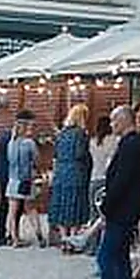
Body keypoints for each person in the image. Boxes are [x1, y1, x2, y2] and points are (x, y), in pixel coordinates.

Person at [86, 106, 140, 279]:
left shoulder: (131, 145)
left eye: (114, 121)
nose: (111, 126)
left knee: (107, 257)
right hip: (127, 208)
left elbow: (122, 180)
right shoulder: (133, 143)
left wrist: (107, 207)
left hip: (121, 210)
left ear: (124, 120)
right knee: (120, 258)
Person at [50, 104, 96, 246]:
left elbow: (56, 154)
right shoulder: (80, 134)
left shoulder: (62, 133)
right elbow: (80, 154)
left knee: (62, 204)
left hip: (61, 172)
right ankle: (73, 239)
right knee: (75, 204)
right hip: (76, 172)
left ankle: (64, 239)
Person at [5, 111, 37, 246]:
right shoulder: (29, 143)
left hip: (12, 180)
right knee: (30, 209)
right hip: (26, 180)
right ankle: (39, 233)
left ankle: (14, 239)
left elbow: (8, 160)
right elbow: (36, 159)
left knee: (12, 212)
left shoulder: (10, 144)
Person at [91, 114, 119, 211]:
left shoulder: (92, 142)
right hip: (108, 178)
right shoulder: (114, 140)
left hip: (94, 177)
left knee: (94, 212)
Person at [0, 120, 14, 247]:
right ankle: (9, 234)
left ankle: (2, 235)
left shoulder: (4, 137)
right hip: (9, 176)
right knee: (10, 206)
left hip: (3, 175)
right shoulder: (10, 140)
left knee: (4, 206)